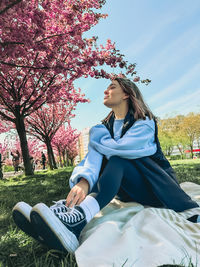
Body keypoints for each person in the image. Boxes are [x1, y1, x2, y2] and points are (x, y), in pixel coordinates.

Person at [12, 77, 200, 254]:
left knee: (117, 159)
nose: (106, 90)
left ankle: (76, 223)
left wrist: (98, 143)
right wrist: (84, 180)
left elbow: (124, 149)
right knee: (101, 163)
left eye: (112, 87)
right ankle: (65, 211)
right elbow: (94, 158)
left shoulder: (145, 122)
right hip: (127, 189)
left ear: (126, 94)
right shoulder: (104, 128)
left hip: (156, 189)